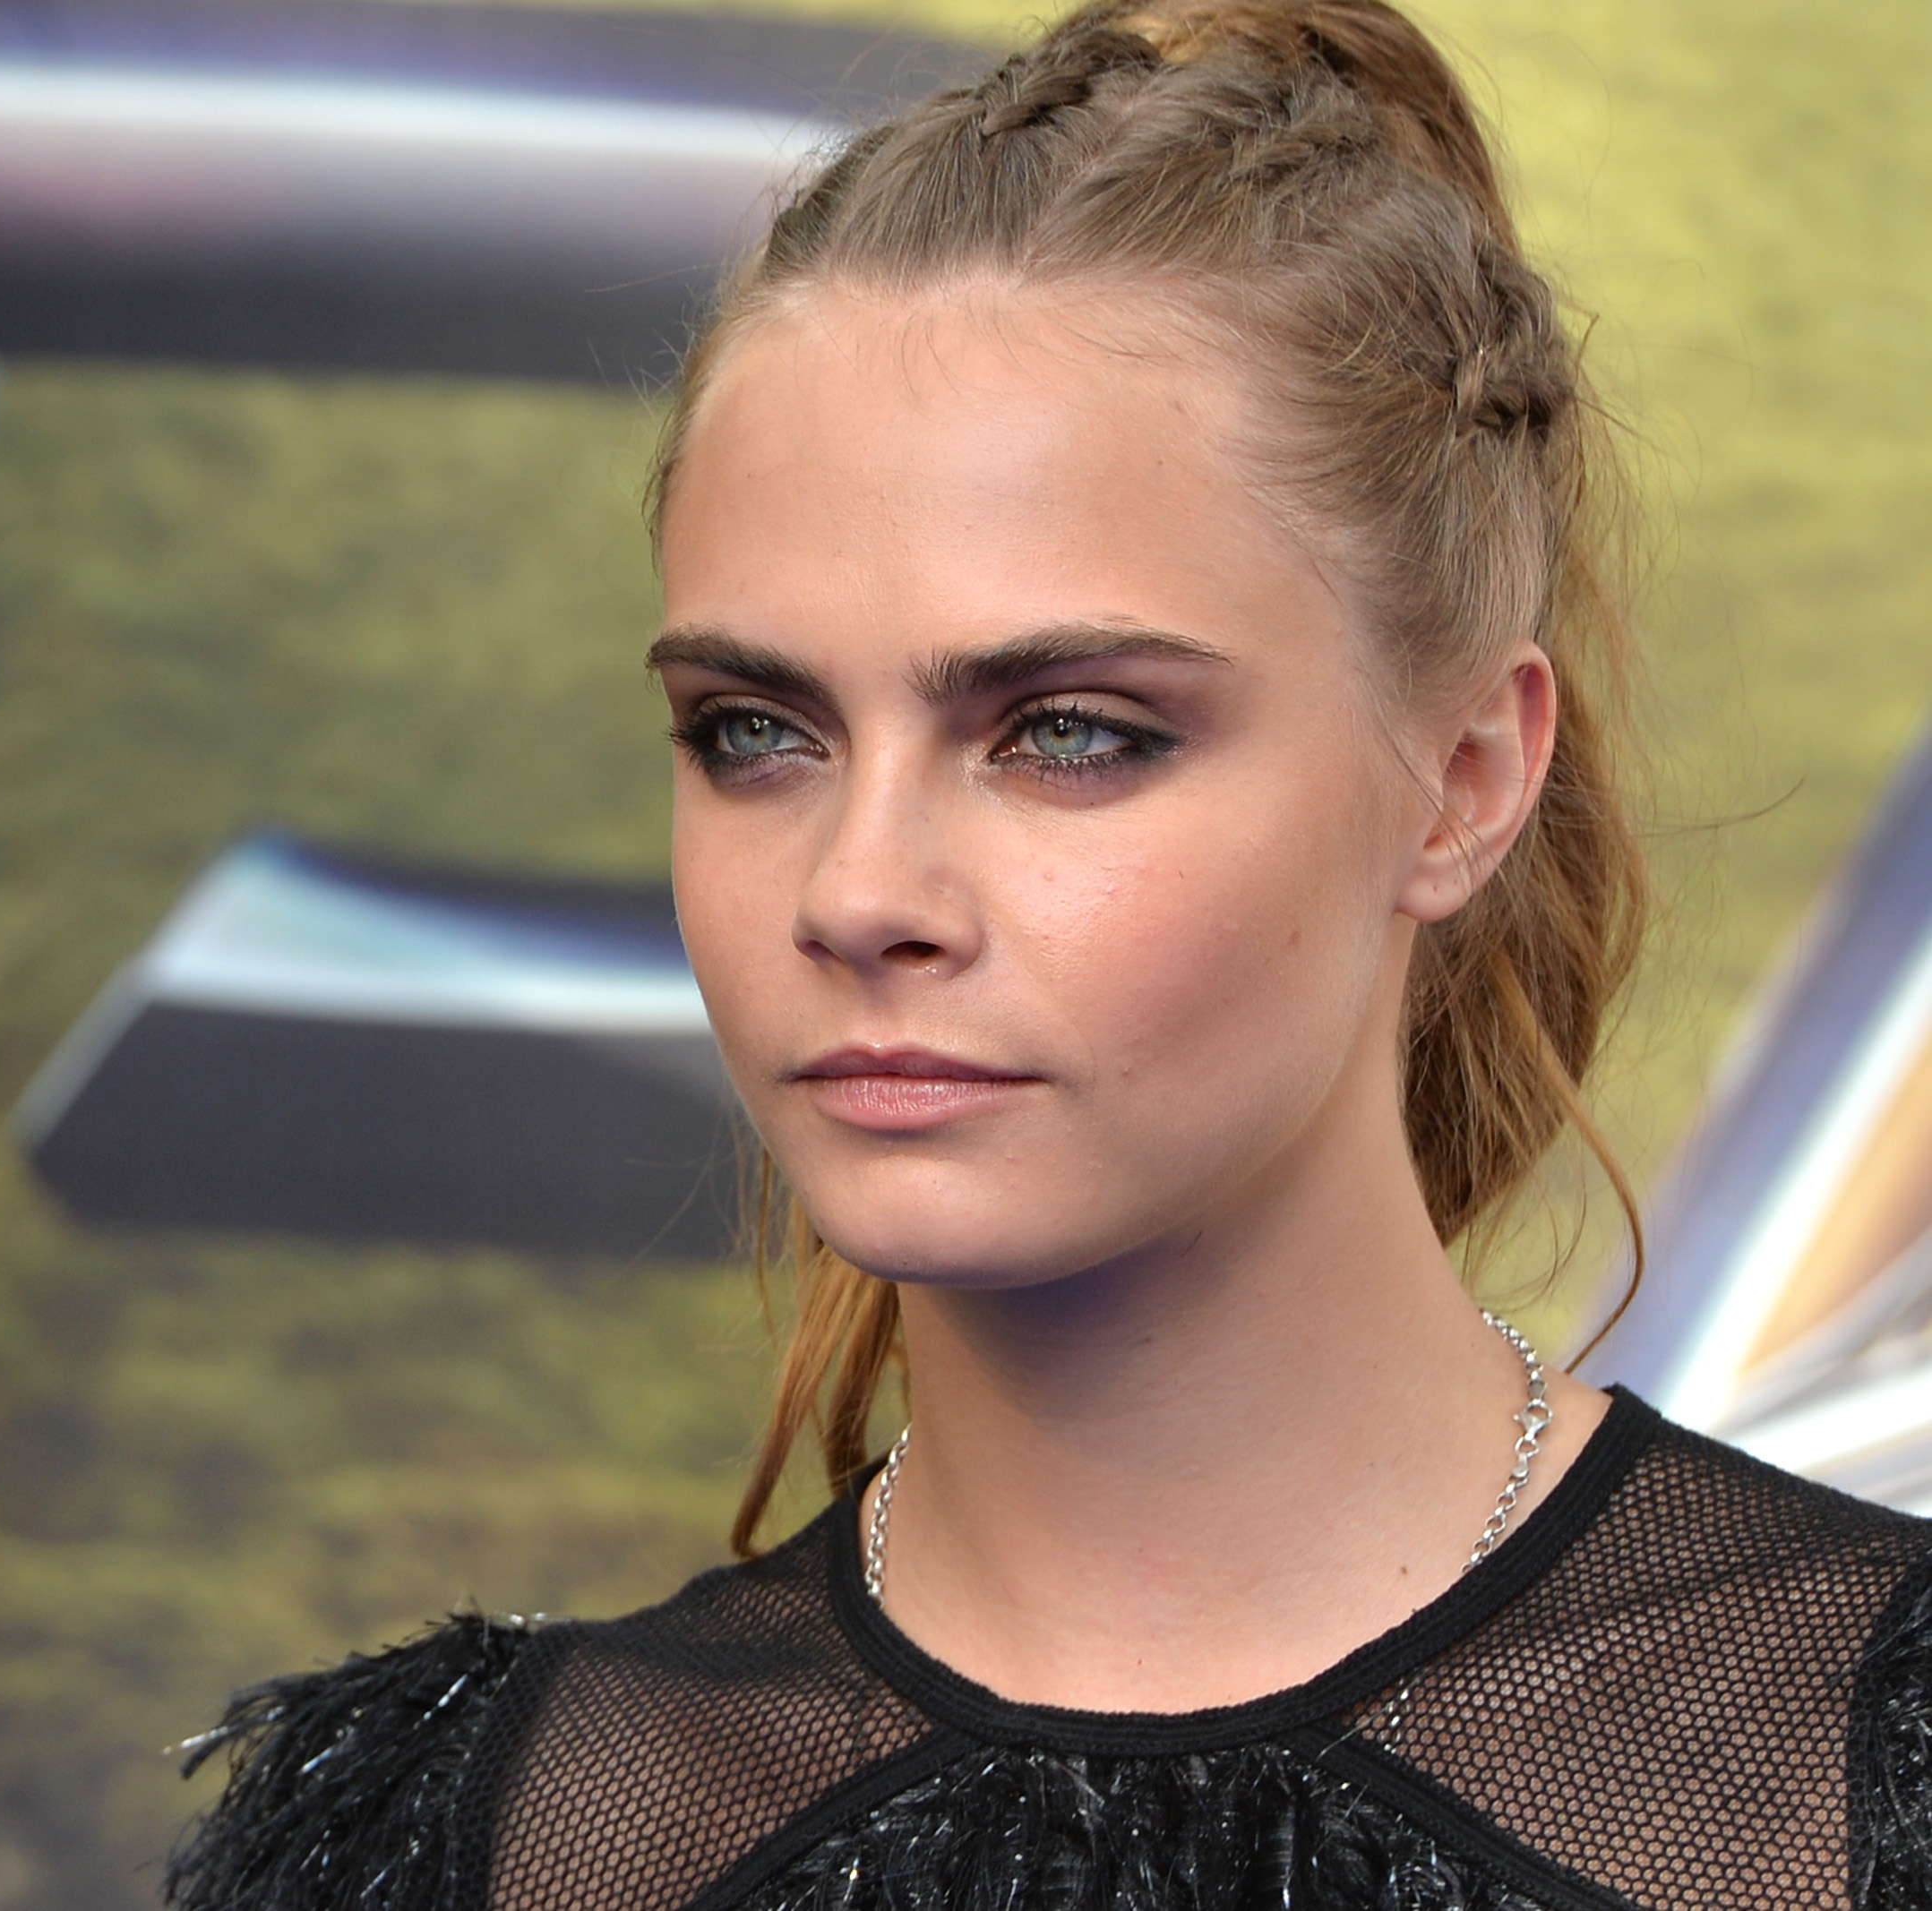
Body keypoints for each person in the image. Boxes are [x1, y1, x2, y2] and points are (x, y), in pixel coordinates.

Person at [167, 4, 1932, 1904]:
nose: (858, 890)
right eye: (755, 732)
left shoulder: (1860, 1768)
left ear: (1466, 779)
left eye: (1070, 731)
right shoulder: (480, 1836)